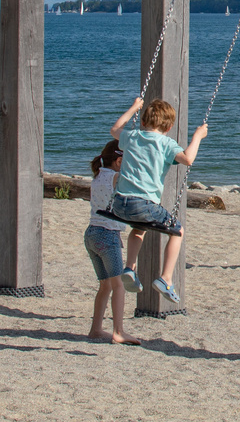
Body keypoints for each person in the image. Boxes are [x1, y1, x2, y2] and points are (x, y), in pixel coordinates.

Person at [108, 96, 207, 305]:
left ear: (143, 122)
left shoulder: (133, 136)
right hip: (144, 204)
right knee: (177, 230)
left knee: (138, 229)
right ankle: (166, 278)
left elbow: (115, 129)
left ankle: (130, 268)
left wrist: (134, 107)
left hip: (120, 204)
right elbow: (188, 159)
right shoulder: (166, 143)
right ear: (170, 127)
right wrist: (198, 136)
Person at [84, 138, 137, 345]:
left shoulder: (98, 176)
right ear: (117, 160)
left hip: (91, 234)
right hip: (108, 235)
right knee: (118, 285)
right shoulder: (115, 177)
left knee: (105, 285)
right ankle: (118, 331)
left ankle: (96, 328)